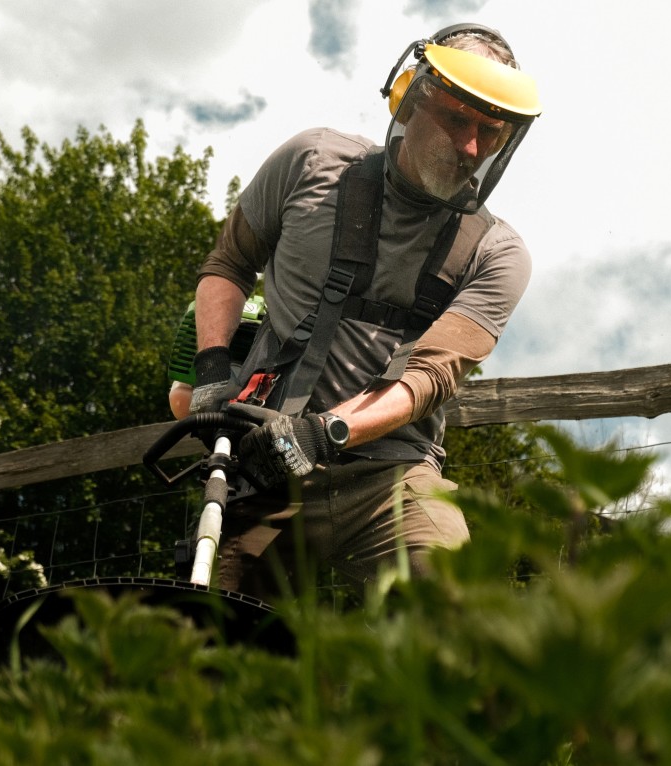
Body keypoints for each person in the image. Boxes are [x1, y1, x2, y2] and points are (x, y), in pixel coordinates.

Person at [186, 22, 541, 599]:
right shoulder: (309, 162)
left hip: (394, 475)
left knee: (449, 597)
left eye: (490, 133)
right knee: (225, 631)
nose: (471, 148)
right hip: (262, 464)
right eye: (458, 119)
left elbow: (431, 377)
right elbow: (228, 264)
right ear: (410, 97)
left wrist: (326, 433)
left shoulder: (497, 253)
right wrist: (208, 375)